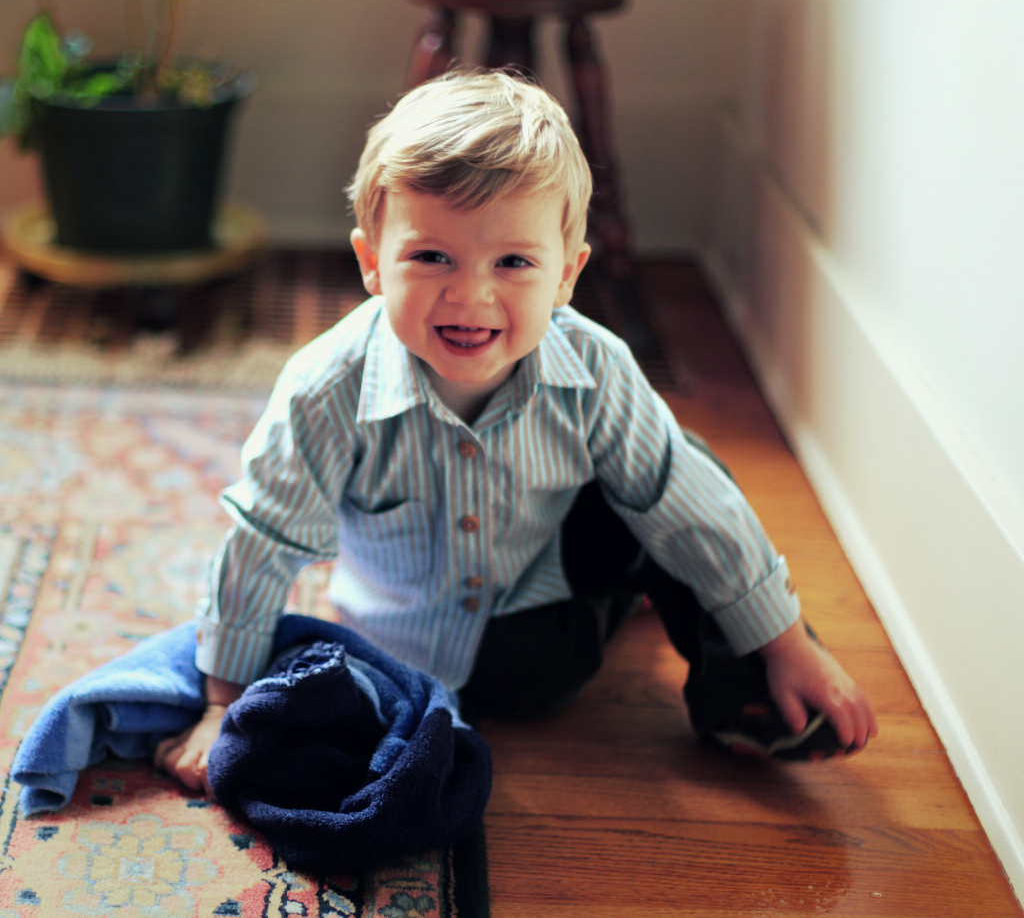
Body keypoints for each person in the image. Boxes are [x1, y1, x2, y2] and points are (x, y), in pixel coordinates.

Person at [155, 69, 876, 796]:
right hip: (512, 655)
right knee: (665, 498)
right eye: (431, 256)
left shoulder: (594, 367)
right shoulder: (326, 387)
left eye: (514, 262)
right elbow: (262, 541)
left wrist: (784, 639)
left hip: (534, 565)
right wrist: (221, 706)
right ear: (372, 262)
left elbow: (682, 499)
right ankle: (642, 590)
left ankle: (747, 685)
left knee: (679, 477)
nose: (471, 294)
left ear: (567, 274)